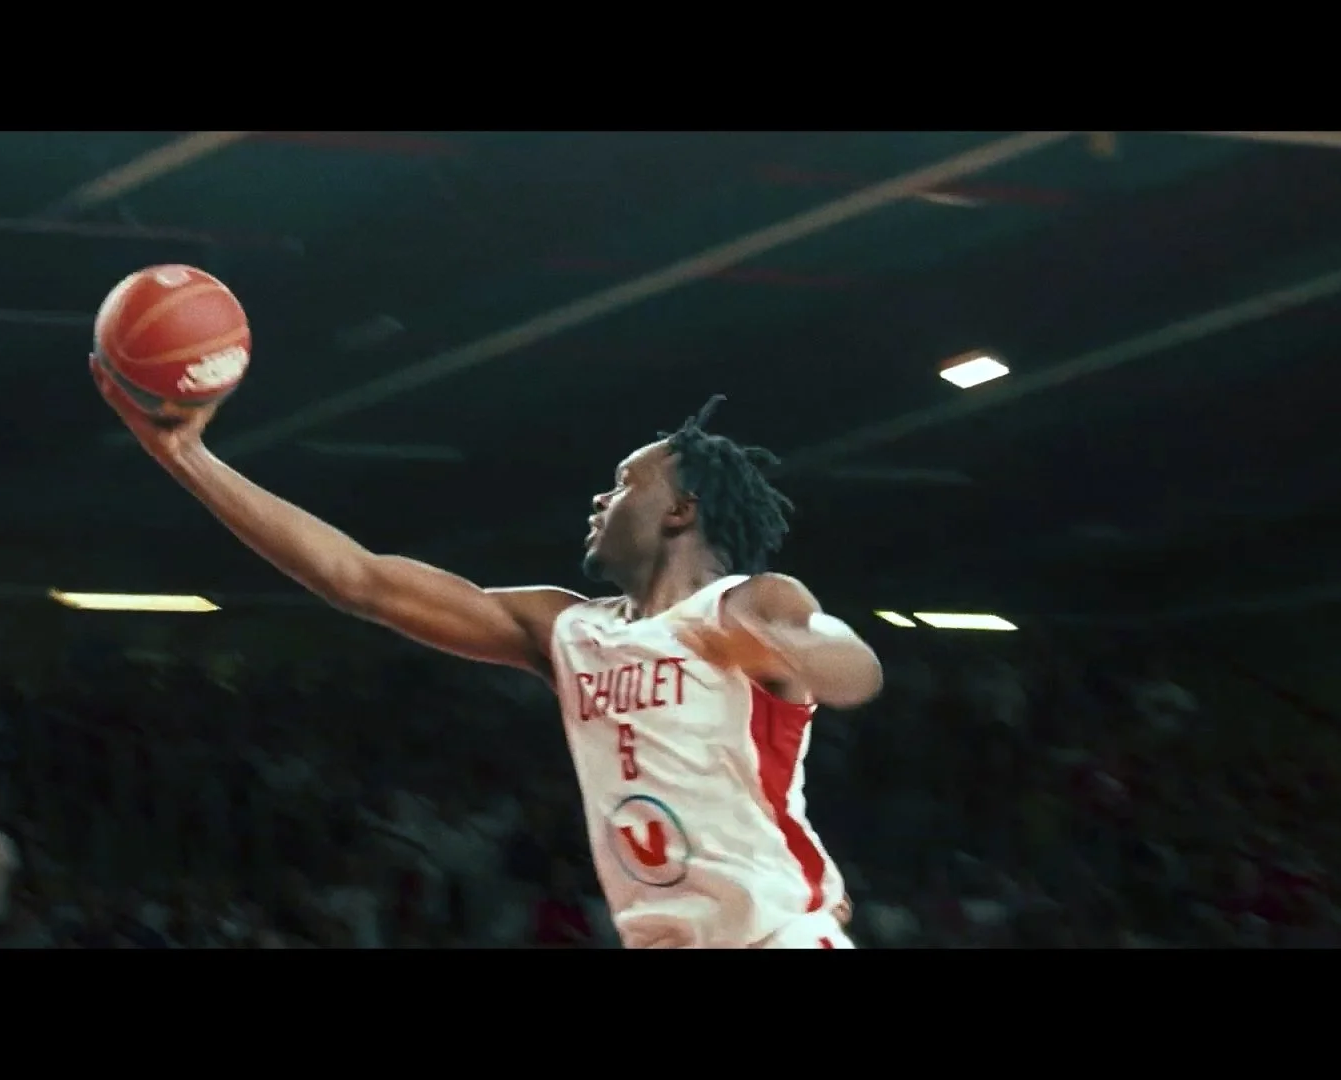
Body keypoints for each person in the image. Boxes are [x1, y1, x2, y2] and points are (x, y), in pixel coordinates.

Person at [95, 363, 882, 949]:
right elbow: (359, 580)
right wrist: (186, 457)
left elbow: (850, 664)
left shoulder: (745, 604)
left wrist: (802, 653)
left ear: (681, 510)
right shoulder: (563, 629)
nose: (601, 499)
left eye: (623, 484)